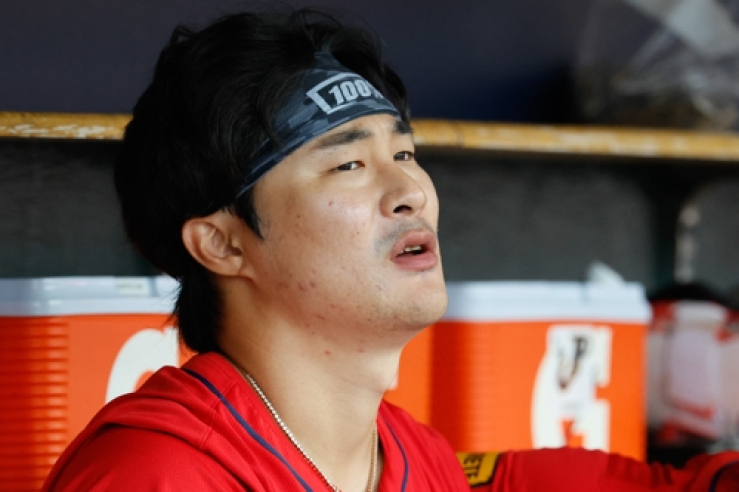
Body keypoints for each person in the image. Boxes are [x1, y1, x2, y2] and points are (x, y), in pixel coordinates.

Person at [42, 8, 739, 492]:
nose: (410, 191)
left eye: (404, 154)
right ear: (223, 244)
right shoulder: (154, 474)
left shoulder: (416, 460)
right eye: (348, 164)